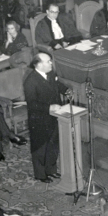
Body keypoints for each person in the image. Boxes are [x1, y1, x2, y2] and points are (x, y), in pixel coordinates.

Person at [24, 53, 67, 183]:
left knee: (53, 144)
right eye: (48, 61)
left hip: (54, 116)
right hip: (39, 119)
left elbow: (57, 85)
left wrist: (66, 90)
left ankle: (51, 170)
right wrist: (49, 107)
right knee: (40, 147)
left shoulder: (51, 74)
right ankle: (40, 174)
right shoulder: (30, 81)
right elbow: (32, 104)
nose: (51, 63)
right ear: (38, 64)